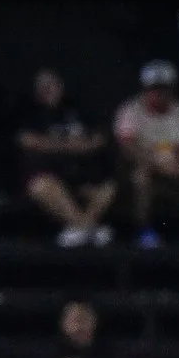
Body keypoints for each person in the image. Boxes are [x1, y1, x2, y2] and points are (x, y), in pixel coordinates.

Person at [114, 61, 179, 249]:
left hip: (178, 168)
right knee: (140, 177)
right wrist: (157, 166)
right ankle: (144, 232)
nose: (159, 93)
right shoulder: (130, 111)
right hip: (145, 167)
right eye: (154, 88)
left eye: (164, 88)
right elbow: (129, 147)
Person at [18, 69, 115, 247]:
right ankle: (87, 228)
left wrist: (80, 146)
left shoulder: (76, 109)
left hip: (82, 174)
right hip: (51, 174)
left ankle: (80, 230)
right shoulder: (31, 114)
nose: (49, 90)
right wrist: (68, 145)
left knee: (107, 188)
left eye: (52, 86)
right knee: (40, 187)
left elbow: (99, 139)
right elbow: (28, 141)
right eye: (43, 88)